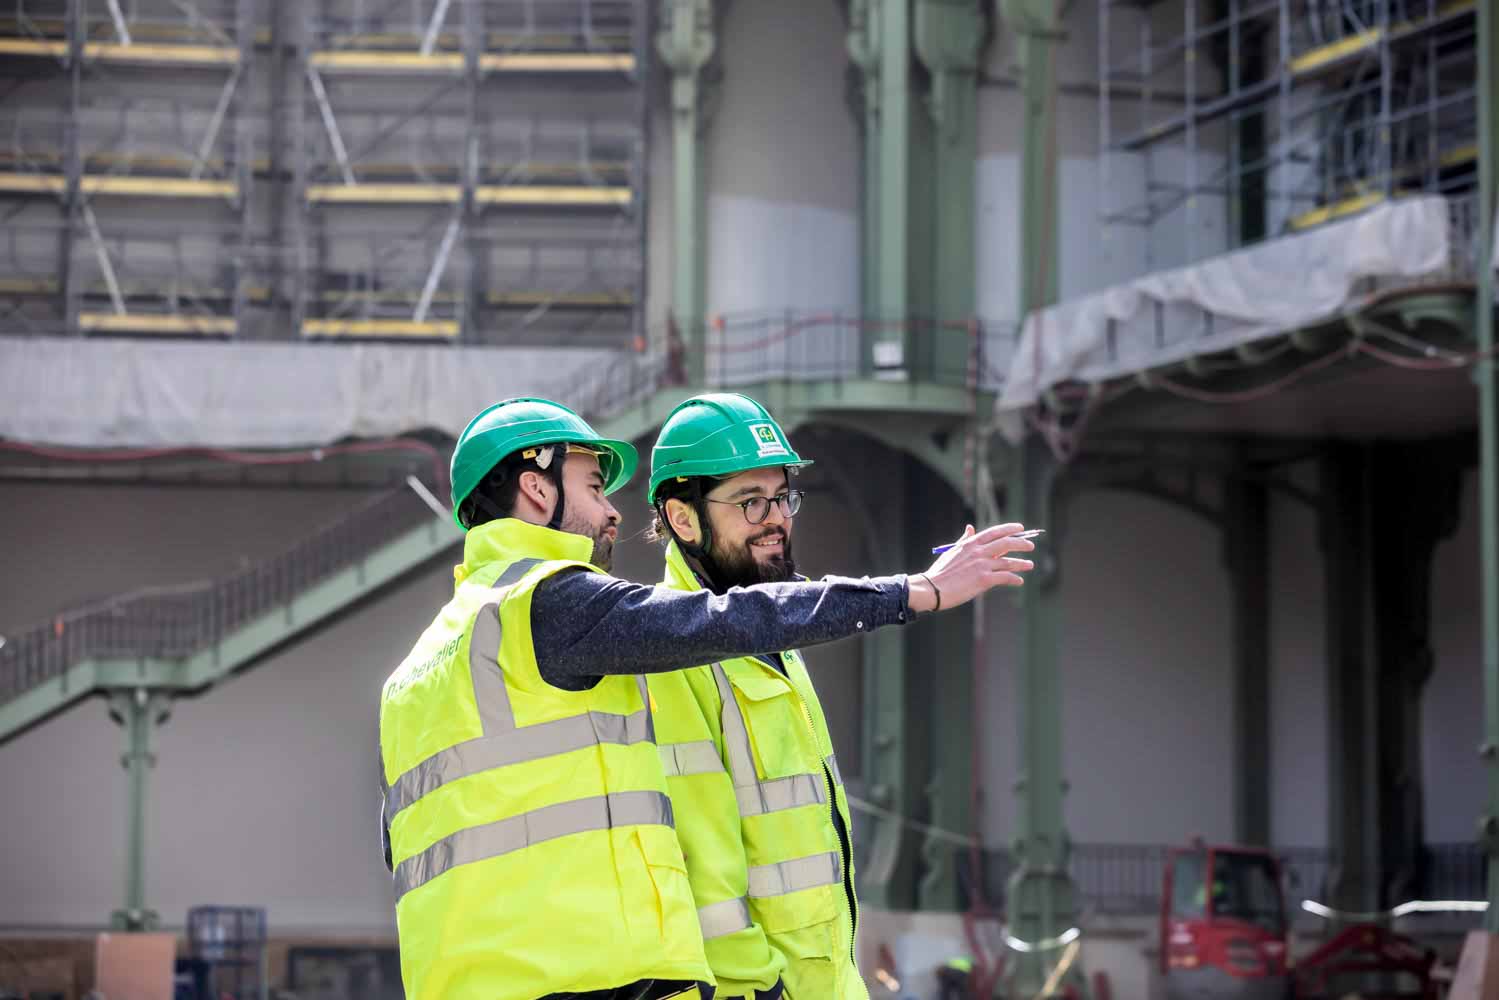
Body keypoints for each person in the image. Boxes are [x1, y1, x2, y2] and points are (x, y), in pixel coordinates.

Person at [378, 396, 1036, 1000]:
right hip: (590, 979)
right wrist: (914, 591)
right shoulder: (557, 609)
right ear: (534, 486)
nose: (612, 511)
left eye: (782, 498)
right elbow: (720, 622)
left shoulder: (421, 670)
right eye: (592, 487)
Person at [645, 393, 994, 999]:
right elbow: (701, 874)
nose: (776, 519)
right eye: (751, 502)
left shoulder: (775, 647)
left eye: (782, 498)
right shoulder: (673, 659)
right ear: (682, 518)